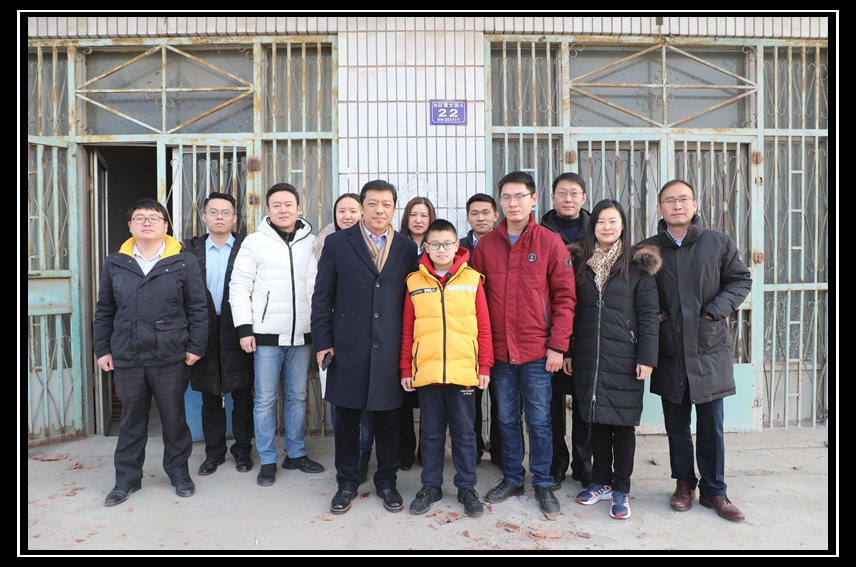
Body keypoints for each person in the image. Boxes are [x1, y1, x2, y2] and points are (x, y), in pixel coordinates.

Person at [640, 179, 752, 521]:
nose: (677, 205)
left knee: (711, 425)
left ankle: (715, 490)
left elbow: (740, 280)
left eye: (683, 199)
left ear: (695, 205)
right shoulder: (647, 250)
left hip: (708, 348)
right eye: (669, 201)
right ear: (659, 208)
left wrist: (713, 312)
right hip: (670, 349)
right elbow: (639, 294)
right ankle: (684, 484)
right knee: (676, 425)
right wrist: (657, 318)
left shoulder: (718, 243)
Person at [471, 171, 576, 515]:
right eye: (506, 197)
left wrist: (558, 346)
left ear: (533, 199)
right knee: (505, 419)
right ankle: (514, 477)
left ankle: (542, 482)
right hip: (500, 352)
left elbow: (565, 298)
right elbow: (474, 300)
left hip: (537, 351)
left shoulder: (549, 241)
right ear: (500, 202)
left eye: (520, 196)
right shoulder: (486, 246)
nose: (513, 203)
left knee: (540, 420)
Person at [312, 180, 418, 515]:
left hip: (390, 347)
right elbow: (322, 297)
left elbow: (411, 301)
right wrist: (323, 342)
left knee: (389, 420)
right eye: (372, 203)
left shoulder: (406, 248)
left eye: (386, 204)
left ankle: (387, 482)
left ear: (394, 209)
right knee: (346, 421)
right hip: (347, 346)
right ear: (361, 207)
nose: (379, 210)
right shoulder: (337, 243)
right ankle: (346, 483)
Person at [94, 198, 207, 506]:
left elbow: (197, 307)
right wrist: (102, 348)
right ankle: (126, 480)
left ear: (165, 226)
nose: (147, 222)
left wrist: (196, 346)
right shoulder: (116, 262)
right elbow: (105, 309)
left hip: (170, 353)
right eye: (140, 217)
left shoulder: (183, 261)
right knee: (131, 420)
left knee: (173, 418)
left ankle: (179, 474)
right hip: (127, 354)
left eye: (154, 218)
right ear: (130, 226)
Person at [569, 200, 660, 520]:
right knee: (596, 422)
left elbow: (649, 315)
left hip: (625, 357)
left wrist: (647, 357)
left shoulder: (637, 265)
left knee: (622, 425)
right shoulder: (581, 264)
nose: (606, 227)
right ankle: (600, 483)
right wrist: (569, 350)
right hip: (589, 356)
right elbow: (572, 311)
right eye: (600, 221)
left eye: (613, 221)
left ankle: (621, 488)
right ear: (592, 227)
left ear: (622, 225)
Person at [229, 183, 323, 487]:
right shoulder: (254, 242)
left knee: (297, 397)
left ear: (299, 208)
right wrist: (245, 328)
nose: (283, 210)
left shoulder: (313, 243)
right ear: (267, 210)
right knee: (265, 399)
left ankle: (295, 453)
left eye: (288, 204)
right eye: (277, 205)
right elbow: (239, 286)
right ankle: (268, 458)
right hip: (266, 336)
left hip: (302, 336)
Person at [399, 219, 494, 518]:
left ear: (457, 246)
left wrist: (485, 365)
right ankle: (431, 485)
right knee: (430, 433)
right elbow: (407, 330)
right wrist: (405, 369)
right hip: (428, 373)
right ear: (426, 247)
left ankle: (466, 487)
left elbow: (484, 327)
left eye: (448, 244)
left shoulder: (473, 279)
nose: (442, 250)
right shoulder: (414, 282)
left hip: (463, 372)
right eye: (435, 244)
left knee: (465, 434)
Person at [183, 192, 255, 476]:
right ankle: (213, 453)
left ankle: (242, 451)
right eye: (213, 212)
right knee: (209, 394)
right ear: (204, 217)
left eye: (226, 212)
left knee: (243, 393)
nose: (219, 217)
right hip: (204, 326)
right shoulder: (189, 250)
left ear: (235, 218)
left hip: (239, 325)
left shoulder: (248, 247)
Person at [314, 193, 376, 485]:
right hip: (340, 339)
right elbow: (320, 295)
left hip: (376, 341)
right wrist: (323, 340)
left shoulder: (386, 244)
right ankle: (347, 475)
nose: (348, 216)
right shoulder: (330, 244)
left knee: (373, 406)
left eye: (353, 210)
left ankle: (365, 455)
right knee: (344, 407)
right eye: (342, 211)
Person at [540, 172, 594, 490]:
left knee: (585, 402)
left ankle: (584, 464)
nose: (568, 198)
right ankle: (556, 463)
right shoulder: (541, 232)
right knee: (551, 405)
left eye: (574, 193)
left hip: (586, 331)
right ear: (552, 197)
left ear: (584, 198)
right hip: (549, 334)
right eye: (562, 193)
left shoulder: (597, 232)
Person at [459, 193, 502, 469]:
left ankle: (499, 449)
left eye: (486, 212)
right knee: (470, 398)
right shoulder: (458, 248)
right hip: (466, 334)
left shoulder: (505, 245)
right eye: (475, 213)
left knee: (501, 398)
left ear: (496, 215)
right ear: (467, 217)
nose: (481, 218)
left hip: (500, 331)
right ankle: (473, 448)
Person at [397, 196, 437, 469]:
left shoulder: (438, 247)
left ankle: (426, 449)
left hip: (430, 328)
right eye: (413, 214)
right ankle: (405, 449)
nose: (419, 220)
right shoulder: (398, 246)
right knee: (402, 394)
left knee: (429, 395)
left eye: (424, 215)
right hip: (400, 324)